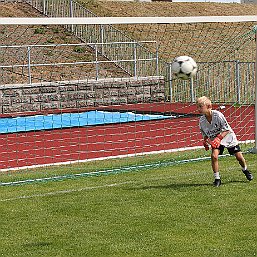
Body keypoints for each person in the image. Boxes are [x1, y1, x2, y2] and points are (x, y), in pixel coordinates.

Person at [196, 96, 253, 187]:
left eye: (200, 106)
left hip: (227, 137)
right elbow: (204, 134)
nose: (198, 109)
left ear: (209, 106)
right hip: (216, 139)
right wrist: (205, 141)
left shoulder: (218, 115)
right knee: (214, 156)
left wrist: (219, 138)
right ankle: (217, 179)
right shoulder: (202, 121)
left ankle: (245, 170)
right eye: (197, 106)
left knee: (239, 158)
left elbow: (226, 130)